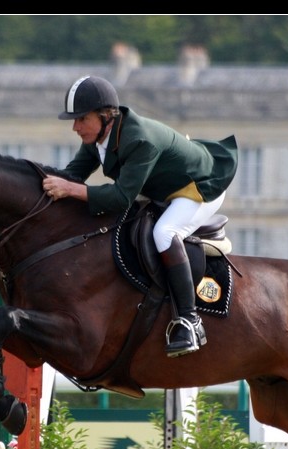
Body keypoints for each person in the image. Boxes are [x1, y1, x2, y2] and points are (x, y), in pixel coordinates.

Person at [43, 75, 238, 357]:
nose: (75, 127)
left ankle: (189, 319)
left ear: (104, 115)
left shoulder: (138, 139)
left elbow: (121, 197)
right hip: (164, 186)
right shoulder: (98, 137)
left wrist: (72, 190)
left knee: (164, 233)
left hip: (201, 185)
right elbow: (71, 175)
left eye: (81, 119)